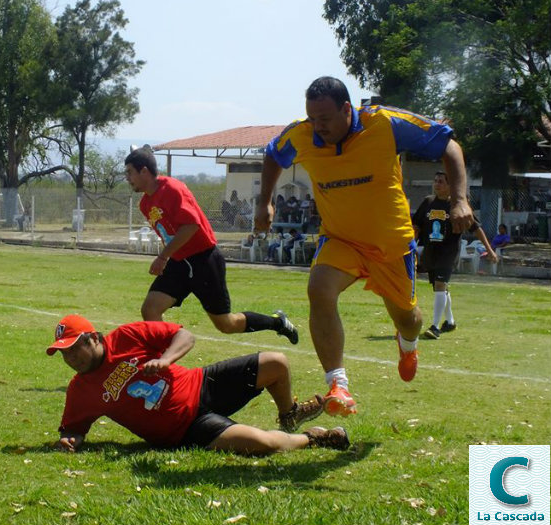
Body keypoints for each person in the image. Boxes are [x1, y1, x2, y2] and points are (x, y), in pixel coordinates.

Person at [254, 76, 475, 418]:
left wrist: (460, 199)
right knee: (319, 289)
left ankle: (408, 344)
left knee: (409, 319)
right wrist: (263, 202)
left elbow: (449, 145)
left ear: (347, 109)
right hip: (340, 238)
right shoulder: (300, 133)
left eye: (325, 119)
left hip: (390, 244)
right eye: (312, 118)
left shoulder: (384, 123)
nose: (318, 127)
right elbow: (273, 156)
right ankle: (337, 384)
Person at [48, 314, 349, 455]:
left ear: (95, 338)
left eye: (76, 347)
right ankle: (314, 438)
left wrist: (166, 360)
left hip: (203, 384)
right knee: (265, 444)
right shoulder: (80, 390)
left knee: (276, 362)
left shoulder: (127, 336)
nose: (71, 357)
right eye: (64, 352)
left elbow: (185, 336)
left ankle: (290, 414)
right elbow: (73, 429)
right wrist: (71, 440)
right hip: (187, 428)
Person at [124, 146, 299, 343]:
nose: (127, 178)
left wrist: (163, 256)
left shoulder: (172, 189)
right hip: (179, 262)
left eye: (129, 172)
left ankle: (277, 322)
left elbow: (191, 226)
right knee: (150, 309)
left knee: (226, 324)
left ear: (144, 171)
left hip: (204, 261)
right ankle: (165, 359)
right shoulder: (145, 204)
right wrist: (168, 256)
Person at [411, 171, 497, 340]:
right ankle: (450, 322)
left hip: (449, 252)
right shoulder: (428, 202)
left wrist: (490, 249)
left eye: (441, 181)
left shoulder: (458, 206)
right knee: (439, 287)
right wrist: (412, 246)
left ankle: (435, 327)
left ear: (451, 186)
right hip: (431, 251)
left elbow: (476, 228)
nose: (437, 184)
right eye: (435, 181)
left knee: (440, 284)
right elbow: (416, 226)